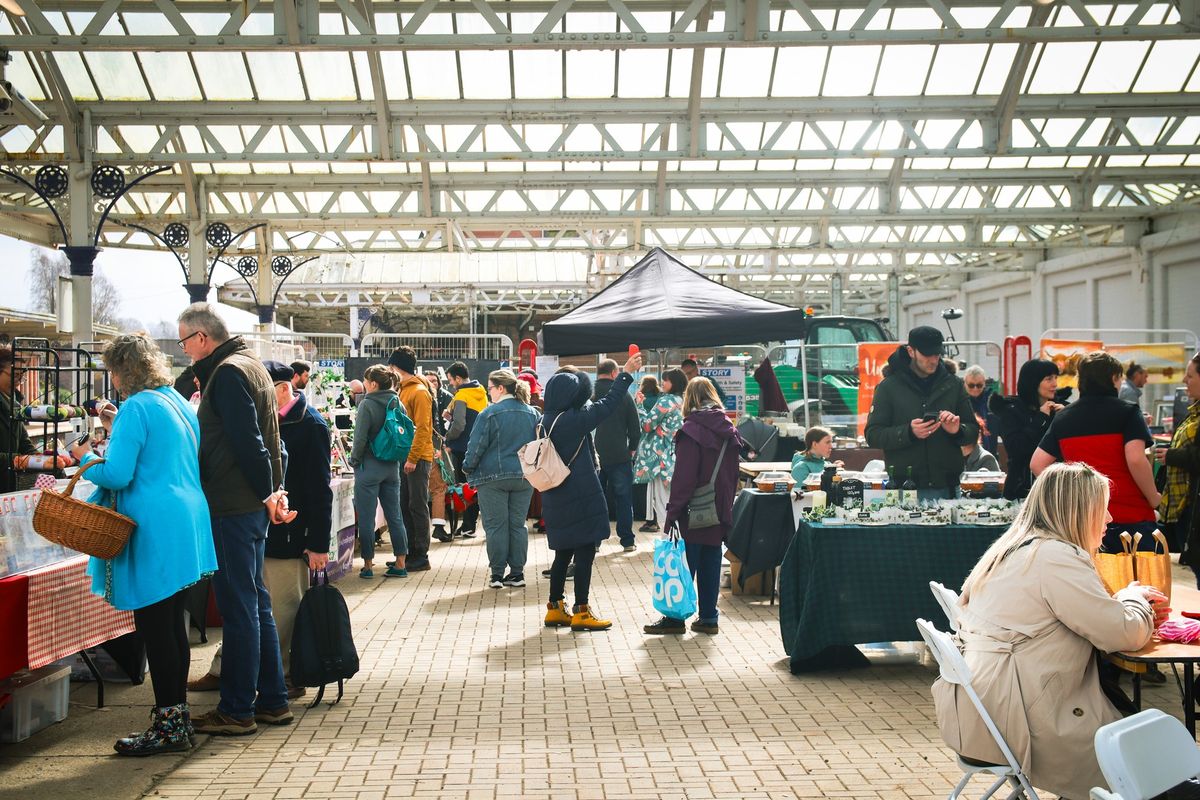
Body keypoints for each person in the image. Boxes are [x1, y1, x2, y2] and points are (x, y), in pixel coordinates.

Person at [931, 462, 1165, 800]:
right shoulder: (1054, 556)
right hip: (1025, 721)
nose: (1109, 519)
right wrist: (1133, 599)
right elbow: (1122, 634)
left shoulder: (1016, 547)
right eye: (1103, 509)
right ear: (1078, 511)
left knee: (1139, 725)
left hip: (988, 712)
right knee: (1155, 747)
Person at [66, 334, 217, 756]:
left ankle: (168, 727)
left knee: (156, 628)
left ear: (124, 370)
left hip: (153, 525)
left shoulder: (136, 407)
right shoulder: (177, 402)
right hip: (187, 520)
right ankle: (177, 721)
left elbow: (117, 474)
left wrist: (82, 459)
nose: (112, 379)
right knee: (173, 626)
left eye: (112, 370)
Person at [176, 303, 294, 736]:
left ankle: (238, 709)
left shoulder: (226, 373)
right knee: (255, 603)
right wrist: (273, 492)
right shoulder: (251, 365)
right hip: (246, 504)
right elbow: (268, 438)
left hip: (232, 506)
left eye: (185, 342)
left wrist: (268, 493)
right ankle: (272, 700)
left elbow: (249, 442)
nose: (185, 351)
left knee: (241, 608)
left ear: (202, 338)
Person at [190, 362, 332, 700]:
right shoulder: (272, 419)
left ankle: (284, 677)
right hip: (263, 526)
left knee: (279, 610)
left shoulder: (309, 424)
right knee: (250, 605)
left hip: (289, 534)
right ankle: (230, 670)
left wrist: (317, 543)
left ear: (282, 389)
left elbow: (319, 488)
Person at [542, 352, 643, 632]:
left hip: (554, 495)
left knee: (562, 552)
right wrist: (625, 374)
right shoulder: (575, 419)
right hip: (581, 494)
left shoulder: (543, 420)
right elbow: (608, 403)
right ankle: (582, 610)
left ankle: (555, 608)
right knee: (585, 551)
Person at [1032, 351, 1160, 554]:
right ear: (1113, 379)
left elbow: (1038, 464)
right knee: (1141, 582)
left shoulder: (1064, 417)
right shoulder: (1128, 412)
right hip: (1131, 517)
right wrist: (1154, 497)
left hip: (1084, 521)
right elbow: (1136, 459)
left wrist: (1071, 499)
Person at [644, 378, 743, 636]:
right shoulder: (730, 430)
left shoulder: (691, 430)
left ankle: (675, 619)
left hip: (693, 510)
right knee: (711, 562)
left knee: (682, 564)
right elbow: (733, 475)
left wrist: (673, 512)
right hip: (718, 508)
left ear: (690, 399)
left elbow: (684, 477)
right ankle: (709, 617)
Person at [864, 326, 978, 499]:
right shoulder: (888, 387)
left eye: (937, 354)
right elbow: (873, 435)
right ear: (911, 351)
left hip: (947, 487)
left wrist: (957, 430)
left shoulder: (954, 385)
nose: (933, 359)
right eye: (927, 354)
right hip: (904, 488)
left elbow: (973, 431)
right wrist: (908, 432)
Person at [463, 369, 540, 588]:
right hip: (524, 476)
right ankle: (517, 573)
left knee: (496, 526)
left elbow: (476, 446)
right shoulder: (532, 413)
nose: (489, 393)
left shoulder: (489, 413)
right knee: (518, 525)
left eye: (490, 388)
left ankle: (497, 574)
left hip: (492, 477)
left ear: (500, 388)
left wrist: (468, 468)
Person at [350, 364, 409, 579]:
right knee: (395, 516)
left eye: (365, 381)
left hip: (369, 467)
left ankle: (367, 565)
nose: (365, 385)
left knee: (366, 517)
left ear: (373, 383)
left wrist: (354, 460)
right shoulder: (397, 403)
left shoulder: (367, 404)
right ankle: (401, 563)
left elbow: (360, 438)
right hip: (392, 467)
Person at [986, 359, 1063, 500]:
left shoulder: (1061, 408)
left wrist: (1066, 417)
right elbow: (1016, 448)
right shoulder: (1011, 411)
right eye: (1048, 379)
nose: (1055, 384)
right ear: (1033, 382)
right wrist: (1041, 418)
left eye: (1055, 378)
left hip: (1057, 488)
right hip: (1022, 490)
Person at [388, 346, 434, 571]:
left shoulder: (418, 392)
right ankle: (407, 553)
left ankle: (421, 554)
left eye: (391, 366)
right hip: (406, 457)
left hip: (416, 458)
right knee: (405, 505)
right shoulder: (404, 390)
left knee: (417, 505)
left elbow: (423, 428)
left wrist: (413, 458)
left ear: (397, 367)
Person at [592, 359, 641, 551]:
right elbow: (635, 428)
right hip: (620, 456)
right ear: (614, 373)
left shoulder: (590, 395)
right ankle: (627, 541)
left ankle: (594, 542)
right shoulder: (624, 396)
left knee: (596, 498)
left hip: (594, 456)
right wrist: (631, 448)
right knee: (623, 499)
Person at [1162, 352, 1200, 581]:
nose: (1185, 381)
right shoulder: (1194, 412)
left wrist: (1173, 456)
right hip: (1187, 506)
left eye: (1190, 376)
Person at [634, 368, 686, 529]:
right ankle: (673, 537)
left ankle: (669, 541)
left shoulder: (666, 401)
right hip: (674, 453)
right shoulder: (681, 400)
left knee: (662, 500)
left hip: (659, 458)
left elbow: (647, 425)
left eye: (666, 380)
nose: (663, 383)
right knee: (671, 499)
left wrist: (640, 406)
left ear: (674, 382)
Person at [444, 361, 487, 538]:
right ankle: (470, 524)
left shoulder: (461, 395)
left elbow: (459, 424)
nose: (450, 384)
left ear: (459, 378)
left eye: (451, 380)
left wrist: (448, 436)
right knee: (475, 486)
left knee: (464, 487)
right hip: (479, 445)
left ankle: (468, 526)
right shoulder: (482, 391)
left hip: (462, 447)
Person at [0, 346, 35, 494]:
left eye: (22, 376)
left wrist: (42, 459)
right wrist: (18, 460)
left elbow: (24, 443)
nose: (19, 381)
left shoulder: (15, 404)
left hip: (8, 484)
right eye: (14, 375)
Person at [426, 370, 454, 543]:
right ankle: (438, 527)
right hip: (431, 450)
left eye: (434, 381)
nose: (432, 384)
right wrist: (439, 447)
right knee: (438, 489)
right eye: (429, 382)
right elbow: (431, 427)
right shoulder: (430, 399)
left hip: (417, 451)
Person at [962, 365, 997, 454]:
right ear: (964, 383)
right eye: (971, 385)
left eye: (979, 385)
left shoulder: (991, 401)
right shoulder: (959, 401)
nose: (975, 389)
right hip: (965, 455)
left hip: (989, 452)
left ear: (984, 384)